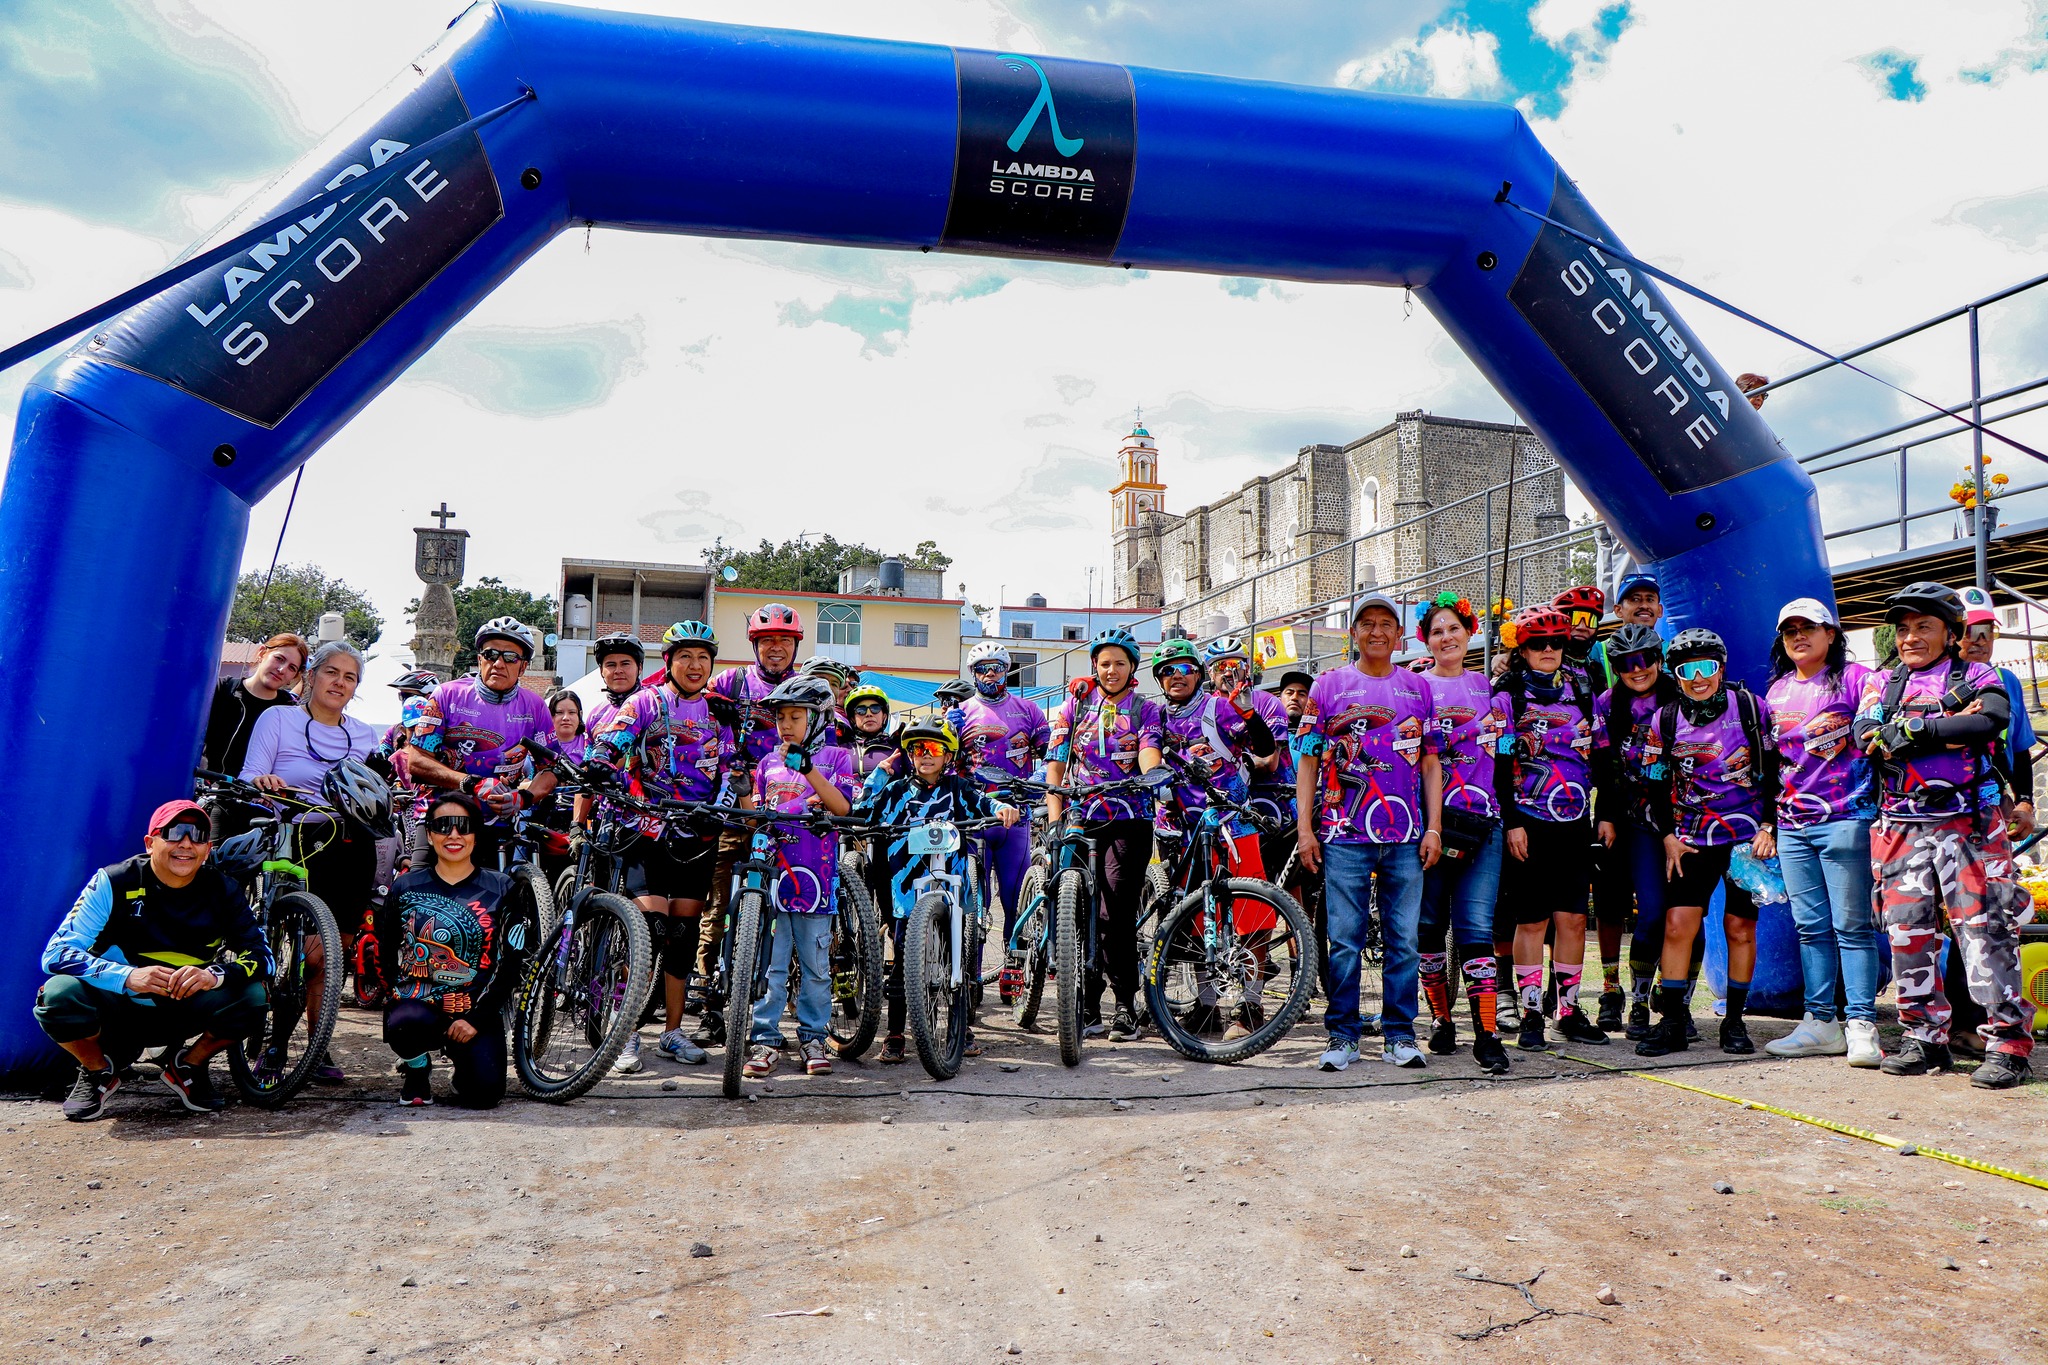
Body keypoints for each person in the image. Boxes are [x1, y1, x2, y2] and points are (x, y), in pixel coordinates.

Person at [1854, 582, 2032, 1088]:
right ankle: (1923, 1039)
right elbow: (1862, 737)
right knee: (1907, 932)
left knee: (1985, 932)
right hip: (1901, 828)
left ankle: (2008, 1045)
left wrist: (1913, 731)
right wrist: (1951, 720)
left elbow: (1991, 721)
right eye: (1904, 628)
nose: (1911, 637)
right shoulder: (1881, 683)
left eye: (1924, 627)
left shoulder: (1981, 673)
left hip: (1971, 827)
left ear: (1951, 634)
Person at [35, 799, 271, 1120]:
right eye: (175, 832)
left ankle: (189, 1067)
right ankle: (96, 1071)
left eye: (198, 835)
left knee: (254, 997)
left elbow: (263, 958)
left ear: (208, 848)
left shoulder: (223, 889)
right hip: (117, 1007)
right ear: (150, 843)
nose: (186, 843)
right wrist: (127, 977)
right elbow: (57, 955)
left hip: (183, 1008)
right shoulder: (114, 881)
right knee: (57, 995)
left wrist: (213, 976)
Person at [1294, 593, 1442, 1071]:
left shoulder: (1418, 689)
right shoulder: (1328, 685)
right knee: (1344, 939)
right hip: (1342, 834)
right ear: (1353, 633)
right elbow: (1309, 760)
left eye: (1386, 624)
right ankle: (1343, 1035)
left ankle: (1400, 1034)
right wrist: (1305, 829)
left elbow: (1431, 763)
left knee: (1404, 939)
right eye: (1367, 624)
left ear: (1399, 635)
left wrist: (1434, 827)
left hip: (1406, 835)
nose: (1377, 632)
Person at [240, 639, 388, 1084]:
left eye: (350, 678)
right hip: (294, 839)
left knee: (331, 956)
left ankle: (318, 1044)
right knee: (300, 954)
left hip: (350, 844)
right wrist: (266, 782)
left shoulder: (364, 734)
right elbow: (250, 776)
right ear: (312, 676)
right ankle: (277, 1043)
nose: (340, 683)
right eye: (332, 673)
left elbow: (375, 791)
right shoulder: (278, 718)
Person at [589, 620, 732, 1069]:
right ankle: (626, 1034)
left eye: (703, 658)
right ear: (668, 662)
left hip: (699, 832)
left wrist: (722, 806)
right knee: (648, 930)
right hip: (646, 828)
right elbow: (613, 738)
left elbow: (733, 766)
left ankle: (672, 1032)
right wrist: (599, 763)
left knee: (684, 935)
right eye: (685, 657)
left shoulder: (719, 711)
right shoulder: (646, 700)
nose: (695, 665)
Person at [1636, 628, 1777, 1058]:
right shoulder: (1663, 720)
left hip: (1746, 841)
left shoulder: (1752, 708)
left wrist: (1769, 826)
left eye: (1706, 667)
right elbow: (1654, 784)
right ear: (1675, 676)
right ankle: (1674, 1021)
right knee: (1678, 926)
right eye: (1686, 670)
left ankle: (1734, 1021)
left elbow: (1773, 772)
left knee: (1739, 928)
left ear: (1721, 668)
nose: (1698, 678)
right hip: (1693, 839)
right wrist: (1667, 837)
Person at [857, 715, 1021, 1063]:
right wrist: (885, 769)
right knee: (903, 956)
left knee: (957, 954)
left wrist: (1002, 808)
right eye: (916, 748)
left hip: (951, 889)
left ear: (948, 756)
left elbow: (985, 803)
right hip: (906, 890)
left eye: (934, 748)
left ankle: (963, 1026)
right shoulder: (896, 791)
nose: (925, 754)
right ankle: (897, 1032)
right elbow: (863, 809)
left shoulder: (958, 789)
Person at [1761, 598, 1882, 1066]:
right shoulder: (1775, 693)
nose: (1798, 636)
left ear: (1831, 633)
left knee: (1852, 927)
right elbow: (1773, 765)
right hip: (1793, 826)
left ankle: (1861, 1024)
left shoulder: (1858, 679)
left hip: (1846, 818)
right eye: (1789, 629)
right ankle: (1819, 1024)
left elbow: (1877, 723)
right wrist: (1770, 823)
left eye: (1809, 627)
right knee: (1810, 928)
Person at [1150, 638, 1279, 1041]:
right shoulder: (1155, 716)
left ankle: (1250, 1004)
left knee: (1251, 916)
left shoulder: (1219, 707)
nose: (1176, 676)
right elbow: (1145, 753)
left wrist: (1248, 712)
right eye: (1168, 670)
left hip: (1233, 822)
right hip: (1183, 828)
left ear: (1198, 674)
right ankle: (1206, 1005)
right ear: (1158, 678)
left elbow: (1264, 747)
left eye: (1185, 668)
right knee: (1193, 921)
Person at [1494, 604, 1609, 1049]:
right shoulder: (1508, 696)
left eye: (1556, 642)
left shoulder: (1582, 688)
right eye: (1537, 643)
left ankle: (1567, 1009)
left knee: (1575, 919)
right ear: (1521, 650)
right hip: (1530, 822)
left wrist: (1608, 814)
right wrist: (1513, 822)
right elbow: (1501, 765)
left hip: (1575, 822)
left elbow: (1600, 754)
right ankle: (1530, 1014)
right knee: (1532, 921)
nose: (1548, 649)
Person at [1045, 628, 1166, 1044]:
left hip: (1130, 816)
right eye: (1104, 663)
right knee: (1076, 912)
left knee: (1115, 912)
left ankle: (1125, 1006)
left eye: (1119, 663)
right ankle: (1086, 1004)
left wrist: (1152, 776)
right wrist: (1055, 817)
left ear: (1133, 666)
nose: (1111, 670)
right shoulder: (1074, 707)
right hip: (1081, 813)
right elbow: (1057, 764)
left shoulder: (1146, 710)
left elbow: (1150, 751)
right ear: (1094, 668)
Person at [696, 602, 805, 1048]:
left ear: (795, 645)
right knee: (716, 907)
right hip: (736, 808)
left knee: (795, 907)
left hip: (787, 812)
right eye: (766, 641)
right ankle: (711, 1006)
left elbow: (835, 734)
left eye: (783, 640)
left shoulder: (807, 685)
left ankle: (786, 998)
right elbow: (695, 716)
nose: (775, 648)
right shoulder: (731, 682)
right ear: (755, 645)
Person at [380, 792, 534, 1108]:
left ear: (476, 835)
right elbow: (386, 948)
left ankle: (463, 1064)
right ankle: (417, 1067)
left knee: (484, 1095)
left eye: (463, 826)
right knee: (404, 1021)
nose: (453, 835)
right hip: (419, 1005)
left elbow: (511, 963)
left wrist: (477, 1018)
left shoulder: (503, 887)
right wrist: (397, 994)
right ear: (430, 835)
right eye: (443, 826)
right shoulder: (406, 886)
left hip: (475, 1010)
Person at [1411, 592, 1511, 1074]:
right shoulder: (1414, 688)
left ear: (1469, 632)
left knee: (1475, 928)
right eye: (1437, 631)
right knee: (1429, 927)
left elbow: (1508, 759)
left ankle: (1487, 1034)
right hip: (1428, 827)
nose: (1446, 637)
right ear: (1425, 640)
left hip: (1483, 824)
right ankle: (1440, 1020)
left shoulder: (1492, 690)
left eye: (1453, 628)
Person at [742, 676, 859, 1080]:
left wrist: (808, 769)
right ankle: (766, 1038)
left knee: (815, 965)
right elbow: (757, 815)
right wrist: (742, 790)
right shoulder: (767, 763)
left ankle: (813, 1035)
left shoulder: (837, 757)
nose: (786, 725)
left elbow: (841, 806)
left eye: (795, 716)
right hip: (772, 876)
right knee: (771, 964)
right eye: (780, 718)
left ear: (819, 717)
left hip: (816, 876)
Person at [1948, 587, 2039, 1057]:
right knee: (1941, 924)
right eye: (1968, 631)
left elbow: (2018, 748)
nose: (1978, 639)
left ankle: (1989, 1027)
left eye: (1987, 631)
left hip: (1988, 818)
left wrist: (2023, 801)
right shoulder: (1927, 680)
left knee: (1992, 918)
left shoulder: (2006, 679)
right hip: (1932, 818)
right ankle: (1954, 1022)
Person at [403, 617, 559, 872]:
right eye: (491, 654)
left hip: (497, 823)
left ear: (523, 667)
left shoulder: (535, 707)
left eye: (510, 657)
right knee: (416, 896)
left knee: (492, 905)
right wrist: (469, 782)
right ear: (479, 660)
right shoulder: (446, 695)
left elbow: (550, 769)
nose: (499, 663)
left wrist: (524, 798)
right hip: (439, 813)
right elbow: (417, 761)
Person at [1592, 624, 1685, 1041]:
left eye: (1646, 659)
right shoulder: (1608, 704)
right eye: (1627, 664)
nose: (1638, 669)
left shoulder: (1680, 693)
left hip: (1683, 817)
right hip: (1631, 819)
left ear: (1659, 660)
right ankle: (1635, 1000)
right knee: (1641, 910)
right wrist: (1607, 814)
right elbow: (1604, 766)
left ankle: (1674, 999)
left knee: (1682, 910)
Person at [954, 641, 1050, 986]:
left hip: (1016, 814)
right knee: (972, 902)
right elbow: (943, 763)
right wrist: (948, 732)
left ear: (1007, 670)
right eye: (982, 668)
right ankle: (970, 973)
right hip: (973, 815)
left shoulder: (1028, 710)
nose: (990, 674)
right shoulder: (961, 711)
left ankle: (1014, 965)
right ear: (972, 673)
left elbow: (1051, 755)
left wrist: (1035, 781)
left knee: (1012, 897)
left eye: (996, 667)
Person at [202, 633, 308, 777]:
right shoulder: (221, 689)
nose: (282, 670)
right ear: (262, 653)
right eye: (279, 659)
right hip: (204, 789)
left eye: (292, 668)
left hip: (253, 796)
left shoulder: (290, 712)